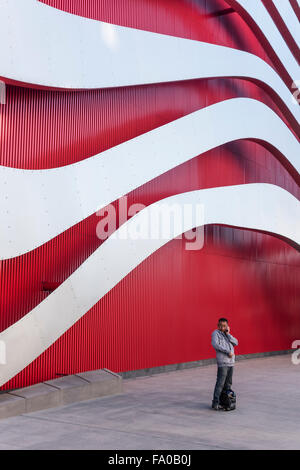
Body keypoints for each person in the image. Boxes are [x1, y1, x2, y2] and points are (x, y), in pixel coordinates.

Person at [211, 317, 238, 410]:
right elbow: (216, 345)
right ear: (218, 325)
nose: (223, 327)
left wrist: (228, 333)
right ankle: (215, 403)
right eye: (221, 326)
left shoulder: (227, 335)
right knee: (220, 383)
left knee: (228, 384)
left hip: (231, 363)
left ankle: (225, 402)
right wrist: (227, 352)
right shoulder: (215, 333)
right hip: (223, 363)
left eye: (225, 326)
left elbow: (236, 342)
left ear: (227, 326)